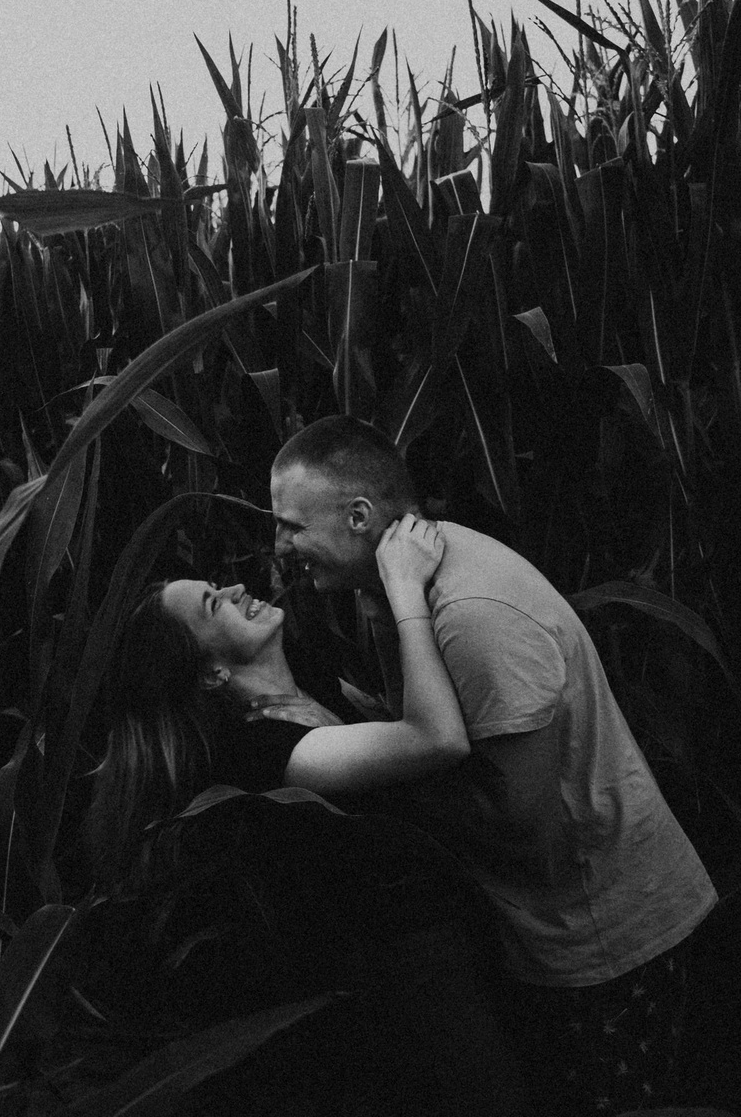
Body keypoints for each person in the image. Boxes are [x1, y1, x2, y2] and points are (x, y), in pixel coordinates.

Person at [269, 415, 716, 1117]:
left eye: (292, 525)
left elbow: (523, 819)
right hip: (552, 925)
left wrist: (382, 789)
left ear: (359, 517)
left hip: (605, 934)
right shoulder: (388, 588)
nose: (280, 547)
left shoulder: (471, 615)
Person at [87, 514, 535, 1115]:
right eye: (214, 604)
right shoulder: (262, 754)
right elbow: (436, 739)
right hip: (408, 988)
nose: (238, 589)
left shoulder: (310, 690)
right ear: (214, 672)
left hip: (443, 959)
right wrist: (403, 590)